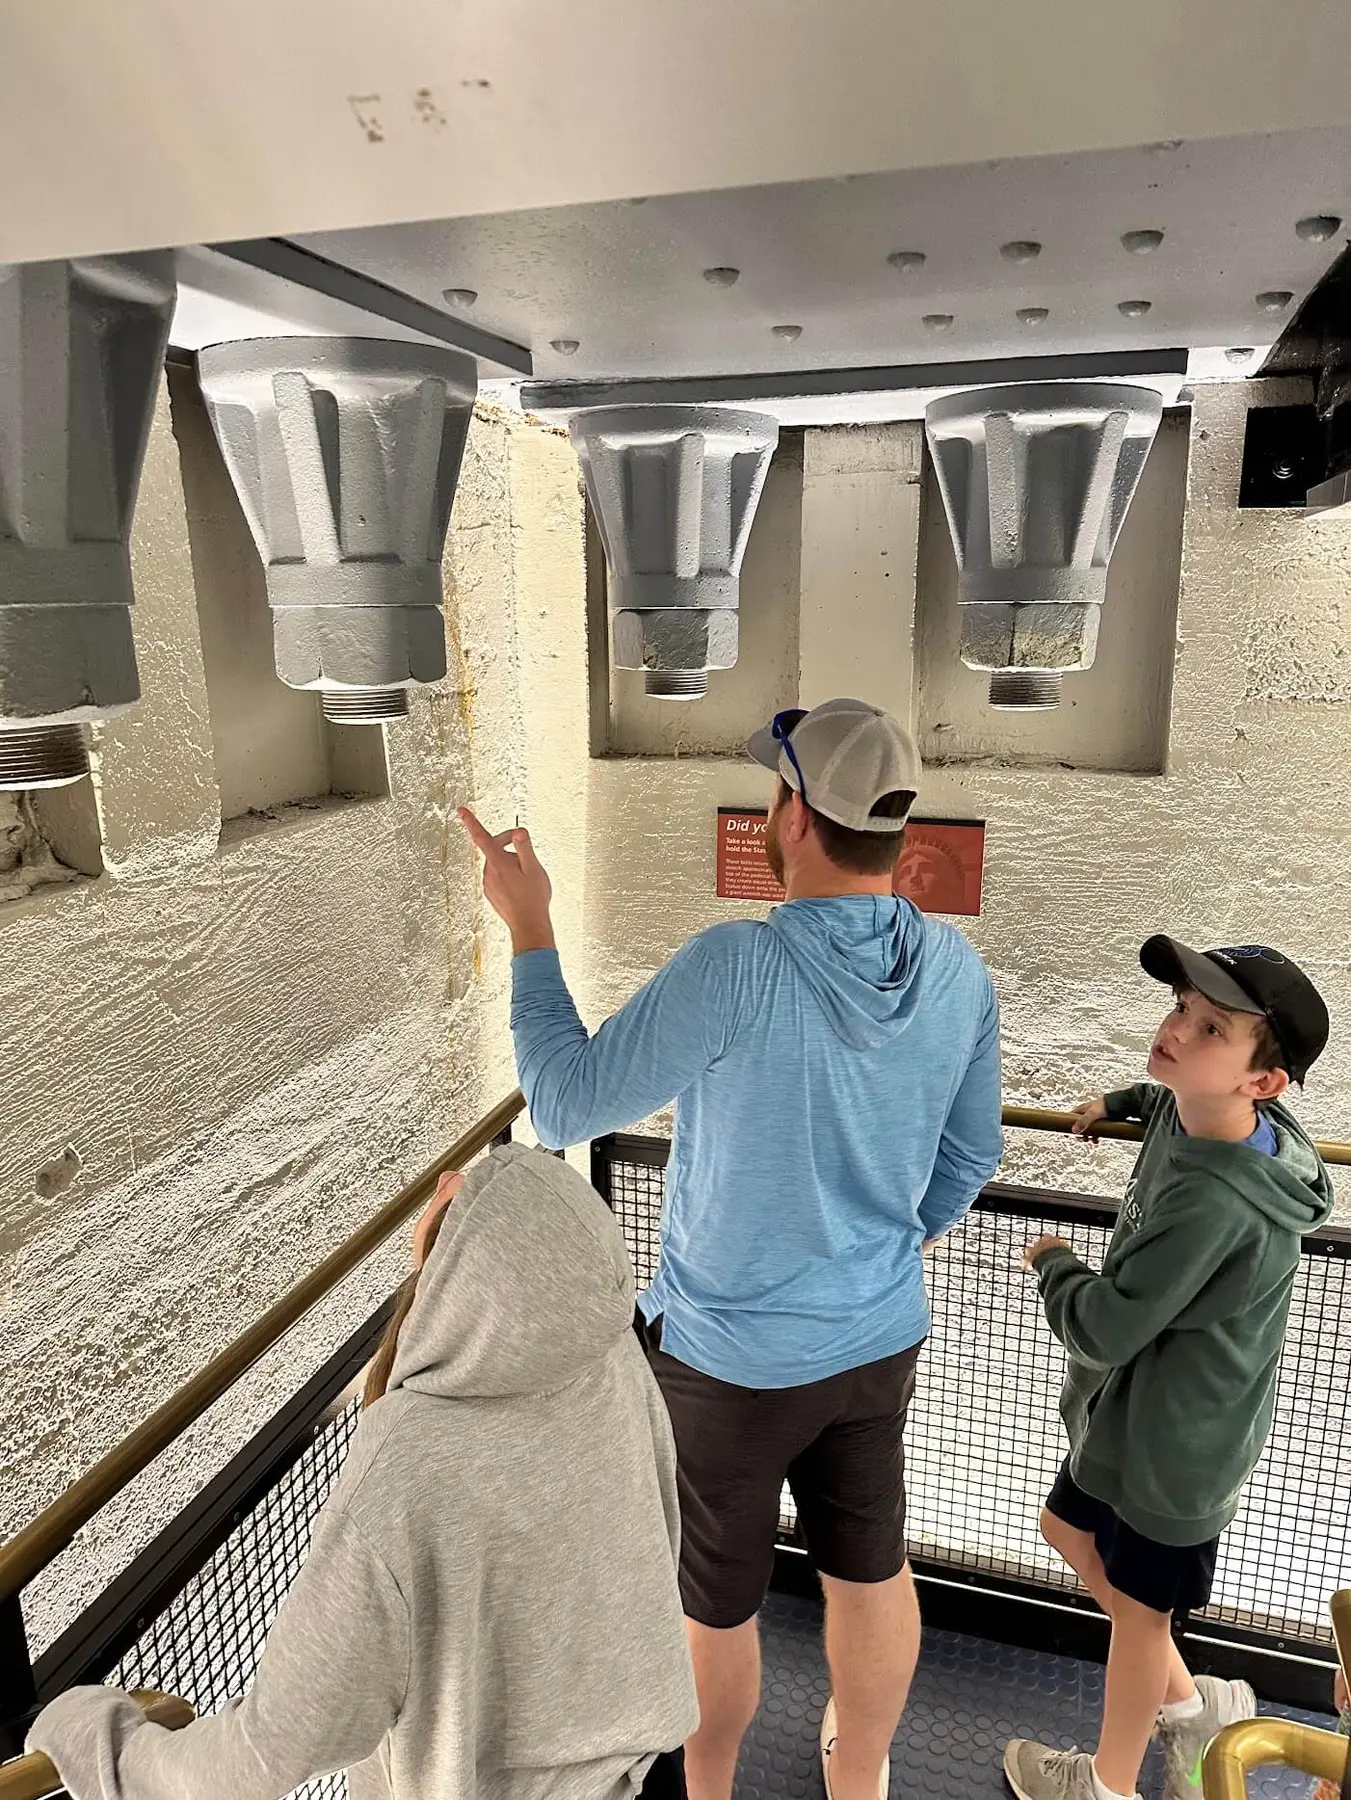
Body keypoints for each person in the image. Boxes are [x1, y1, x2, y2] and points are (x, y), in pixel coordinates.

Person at [461, 697, 1003, 1800]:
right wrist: (878, 1251)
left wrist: (529, 926)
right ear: (894, 828)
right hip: (877, 1339)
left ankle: (707, 1793)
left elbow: (562, 1104)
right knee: (870, 1569)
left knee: (713, 1603)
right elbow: (970, 1153)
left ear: (794, 815)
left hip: (728, 1363)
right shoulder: (956, 971)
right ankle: (862, 1780)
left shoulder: (737, 968)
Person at [29, 1144, 698, 1800]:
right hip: (650, 1769)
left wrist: (95, 1737)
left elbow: (268, 1750)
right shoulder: (608, 1353)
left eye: (461, 1193)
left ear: (461, 1268)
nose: (446, 1179)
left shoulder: (408, 1463)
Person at [1006, 937, 1334, 1800]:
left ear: (1263, 1080)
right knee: (1066, 1530)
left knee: (1139, 1620)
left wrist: (1053, 1262)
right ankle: (1194, 1707)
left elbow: (1106, 1327)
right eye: (1182, 1007)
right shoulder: (1210, 1112)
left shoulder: (1217, 1199)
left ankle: (1106, 1786)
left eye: (1211, 1028)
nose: (1177, 1029)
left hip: (1180, 1443)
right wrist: (1117, 1100)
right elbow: (1165, 1099)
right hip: (1137, 1419)